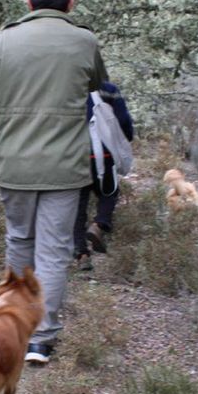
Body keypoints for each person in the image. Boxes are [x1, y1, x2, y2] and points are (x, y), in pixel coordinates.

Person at [0, 0, 107, 365]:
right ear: (70, 4)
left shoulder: (3, 41)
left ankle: (14, 328)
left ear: (28, 3)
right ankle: (41, 340)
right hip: (65, 168)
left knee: (20, 241)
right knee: (55, 252)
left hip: (16, 164)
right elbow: (96, 84)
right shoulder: (84, 41)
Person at [73, 81, 134, 271]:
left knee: (78, 207)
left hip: (74, 157)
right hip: (103, 155)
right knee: (109, 192)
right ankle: (99, 224)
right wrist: (125, 139)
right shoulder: (108, 89)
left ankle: (82, 254)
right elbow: (123, 120)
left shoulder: (65, 86)